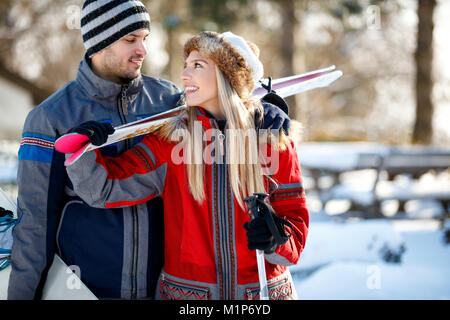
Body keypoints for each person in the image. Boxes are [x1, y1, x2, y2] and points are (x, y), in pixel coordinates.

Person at [7, 1, 290, 300]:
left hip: (165, 288)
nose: (142, 50)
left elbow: (221, 101)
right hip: (86, 288)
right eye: (130, 40)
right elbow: (34, 224)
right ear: (99, 42)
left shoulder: (168, 101)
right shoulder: (51, 117)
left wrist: (264, 107)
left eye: (145, 38)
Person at [65, 31, 309, 300]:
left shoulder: (272, 141)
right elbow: (105, 188)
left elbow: (296, 227)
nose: (184, 75)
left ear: (226, 76)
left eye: (197, 66)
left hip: (262, 295)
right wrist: (85, 150)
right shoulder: (172, 141)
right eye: (186, 65)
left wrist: (276, 237)